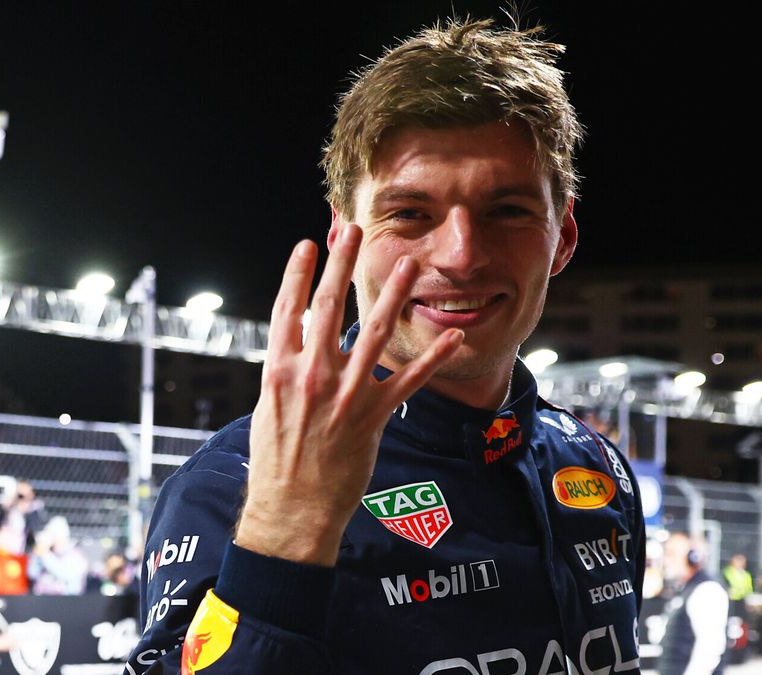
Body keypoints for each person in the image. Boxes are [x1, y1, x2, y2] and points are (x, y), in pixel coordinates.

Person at [126, 16, 646, 675]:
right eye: (410, 213)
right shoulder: (234, 485)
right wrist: (284, 533)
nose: (460, 255)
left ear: (563, 236)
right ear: (344, 236)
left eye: (507, 210)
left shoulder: (596, 465)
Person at [657, 531, 729, 675]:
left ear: (693, 557)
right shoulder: (686, 589)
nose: (665, 561)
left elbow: (709, 649)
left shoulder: (707, 589)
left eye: (671, 554)